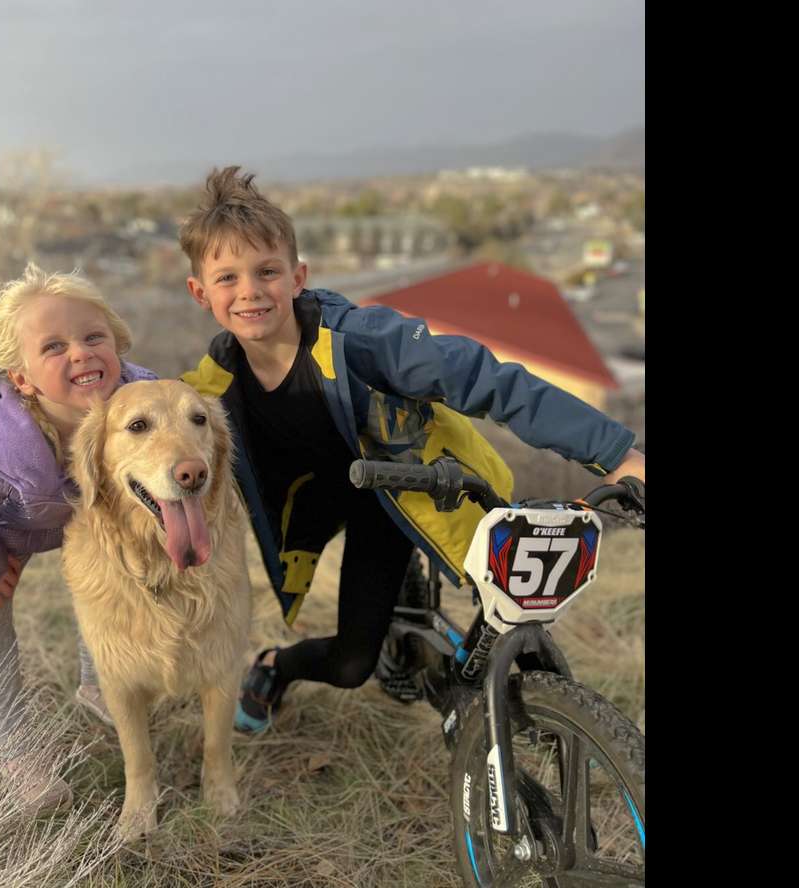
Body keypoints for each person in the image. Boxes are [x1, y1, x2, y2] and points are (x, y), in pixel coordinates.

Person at [177, 167, 646, 733]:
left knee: (507, 596)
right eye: (227, 278)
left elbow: (489, 380)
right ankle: (277, 663)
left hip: (408, 490)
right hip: (313, 504)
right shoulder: (209, 386)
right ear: (200, 293)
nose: (249, 290)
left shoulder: (365, 342)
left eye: (267, 271)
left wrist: (617, 454)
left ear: (298, 277)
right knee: (351, 667)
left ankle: (528, 715)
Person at [0, 262, 157, 811]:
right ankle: (18, 751)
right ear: (20, 379)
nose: (82, 352)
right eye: (54, 347)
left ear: (117, 344)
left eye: (95, 336)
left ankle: (98, 682)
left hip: (91, 524)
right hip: (11, 526)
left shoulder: (145, 405)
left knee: (109, 582)